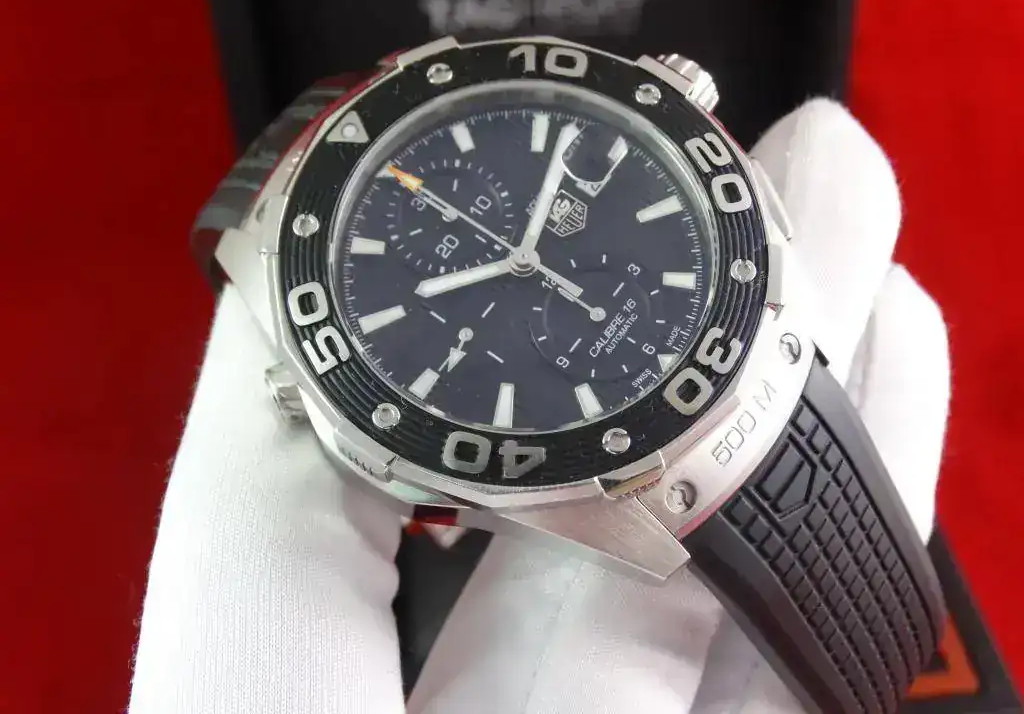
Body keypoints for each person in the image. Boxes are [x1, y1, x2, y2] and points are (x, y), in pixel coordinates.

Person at [127, 99, 950, 714]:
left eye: (526, 251)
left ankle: (888, 637)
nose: (524, 262)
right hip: (623, 479)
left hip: (762, 367)